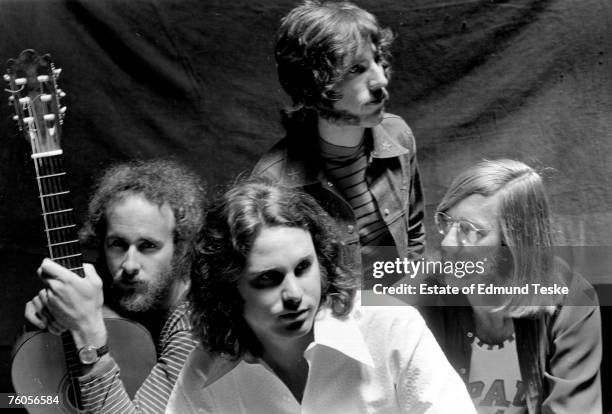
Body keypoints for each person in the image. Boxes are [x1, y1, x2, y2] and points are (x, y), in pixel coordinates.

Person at [167, 180, 475, 414]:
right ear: (226, 289)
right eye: (268, 279)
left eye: (303, 268)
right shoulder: (205, 373)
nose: (294, 295)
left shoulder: (391, 327)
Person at [252, 1, 425, 289]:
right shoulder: (273, 183)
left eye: (377, 62)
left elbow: (415, 234)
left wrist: (409, 302)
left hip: (399, 310)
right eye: (357, 69)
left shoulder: (399, 134)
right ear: (314, 83)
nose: (381, 80)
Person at [419, 159, 602, 413]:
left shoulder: (571, 299)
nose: (449, 243)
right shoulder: (418, 295)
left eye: (470, 231)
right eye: (446, 221)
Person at [24, 159, 206, 413]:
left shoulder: (195, 328)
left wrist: (88, 330)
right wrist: (39, 330)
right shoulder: (100, 286)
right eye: (118, 244)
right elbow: (33, 398)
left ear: (180, 248)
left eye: (148, 246)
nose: (130, 264)